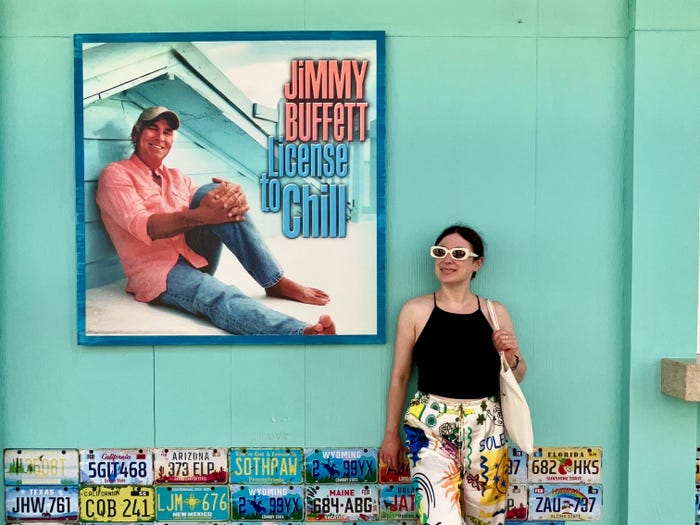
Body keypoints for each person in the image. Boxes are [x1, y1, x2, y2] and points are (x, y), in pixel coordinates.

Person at [96, 106, 335, 336]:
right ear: (136, 134)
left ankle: (274, 281)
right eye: (152, 128)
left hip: (194, 256)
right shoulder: (116, 174)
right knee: (216, 293)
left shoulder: (176, 177)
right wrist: (202, 215)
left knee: (215, 192)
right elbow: (145, 226)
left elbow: (211, 203)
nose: (160, 137)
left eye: (167, 132)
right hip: (157, 272)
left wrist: (232, 196)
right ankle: (299, 332)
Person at [379, 225, 526, 525]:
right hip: (429, 426)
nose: (447, 260)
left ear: (477, 263)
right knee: (437, 519)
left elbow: (517, 376)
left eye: (458, 254)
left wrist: (511, 354)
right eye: (440, 252)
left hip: (486, 427)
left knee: (486, 520)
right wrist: (391, 434)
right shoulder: (415, 310)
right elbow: (399, 377)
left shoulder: (495, 312)